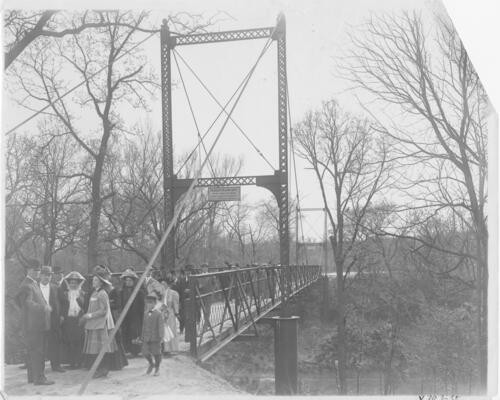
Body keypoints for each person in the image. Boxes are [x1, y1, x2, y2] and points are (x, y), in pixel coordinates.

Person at [15, 260, 54, 385]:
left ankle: (32, 377)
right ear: (29, 270)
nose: (38, 273)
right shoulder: (27, 285)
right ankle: (40, 378)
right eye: (36, 270)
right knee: (38, 351)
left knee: (34, 351)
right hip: (33, 325)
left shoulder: (32, 283)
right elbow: (28, 303)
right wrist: (44, 307)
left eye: (38, 270)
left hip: (36, 324)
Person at [81, 270, 123, 378]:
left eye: (95, 280)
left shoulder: (103, 293)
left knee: (102, 348)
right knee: (96, 349)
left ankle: (103, 369)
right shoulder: (95, 293)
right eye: (93, 280)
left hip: (101, 325)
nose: (93, 282)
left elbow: (104, 310)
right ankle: (100, 369)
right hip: (93, 325)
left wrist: (89, 315)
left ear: (101, 282)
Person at [39, 266, 65, 373]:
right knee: (40, 344)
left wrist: (62, 315)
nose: (47, 277)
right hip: (39, 320)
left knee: (55, 342)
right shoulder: (34, 287)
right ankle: (39, 368)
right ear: (40, 275)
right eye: (45, 275)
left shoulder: (56, 287)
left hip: (54, 319)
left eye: (49, 275)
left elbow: (64, 302)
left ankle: (56, 365)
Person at [60, 271, 86, 369]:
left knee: (79, 341)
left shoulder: (82, 293)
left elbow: (85, 306)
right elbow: (62, 307)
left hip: (79, 320)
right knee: (69, 341)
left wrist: (79, 298)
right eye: (71, 283)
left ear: (78, 284)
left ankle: (79, 361)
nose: (73, 285)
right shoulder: (65, 294)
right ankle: (71, 362)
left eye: (75, 283)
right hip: (68, 320)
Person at [119, 270, 144, 357]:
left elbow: (142, 306)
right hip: (125, 317)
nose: (128, 282)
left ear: (134, 281)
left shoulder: (139, 292)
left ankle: (137, 350)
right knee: (126, 332)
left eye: (130, 280)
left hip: (136, 316)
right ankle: (128, 350)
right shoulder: (121, 292)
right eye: (126, 280)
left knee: (136, 332)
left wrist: (141, 317)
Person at [141, 293, 165, 376]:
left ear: (155, 303)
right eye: (147, 303)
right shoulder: (145, 313)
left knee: (156, 353)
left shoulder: (158, 314)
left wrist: (161, 336)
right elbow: (144, 326)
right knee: (145, 352)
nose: (149, 304)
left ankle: (157, 367)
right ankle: (151, 364)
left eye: (151, 302)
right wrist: (142, 336)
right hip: (146, 337)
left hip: (155, 337)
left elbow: (161, 326)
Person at [160, 278, 179, 355]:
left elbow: (175, 304)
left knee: (170, 330)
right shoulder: (160, 293)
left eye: (164, 284)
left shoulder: (173, 293)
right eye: (161, 284)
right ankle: (163, 349)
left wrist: (176, 313)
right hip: (161, 313)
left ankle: (171, 348)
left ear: (167, 285)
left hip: (170, 313)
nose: (162, 286)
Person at [175, 269, 189, 334]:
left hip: (189, 301)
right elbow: (179, 291)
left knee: (187, 316)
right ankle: (181, 329)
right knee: (181, 315)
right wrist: (179, 302)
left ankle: (186, 329)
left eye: (179, 274)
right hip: (182, 301)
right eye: (177, 274)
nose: (178, 275)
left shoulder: (190, 280)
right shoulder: (179, 281)